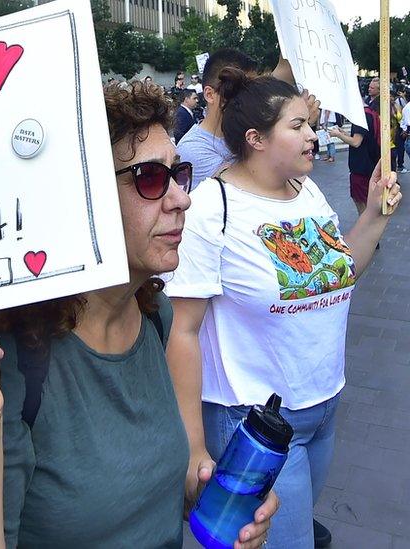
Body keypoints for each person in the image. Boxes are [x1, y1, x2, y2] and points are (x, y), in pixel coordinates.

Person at [0, 81, 277, 548]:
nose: (182, 198)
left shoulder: (154, 314)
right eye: (149, 178)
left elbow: (151, 487)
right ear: (81, 198)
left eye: (177, 173)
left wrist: (204, 498)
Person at [166, 69, 401, 549]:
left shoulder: (307, 190)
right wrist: (192, 445)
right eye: (297, 126)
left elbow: (335, 275)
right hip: (254, 421)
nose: (313, 134)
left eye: (308, 125)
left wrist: (374, 215)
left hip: (323, 404)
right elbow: (183, 331)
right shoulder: (212, 207)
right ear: (255, 139)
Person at [176, 50, 259, 192]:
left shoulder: (244, 130)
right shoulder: (192, 149)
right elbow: (249, 190)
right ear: (209, 94)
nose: (252, 99)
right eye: (240, 90)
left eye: (254, 90)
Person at [329, 99, 381, 215]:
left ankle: (365, 229)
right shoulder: (369, 113)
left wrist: (338, 135)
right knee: (364, 199)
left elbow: (356, 142)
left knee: (361, 202)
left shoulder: (361, 117)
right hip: (369, 163)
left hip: (361, 166)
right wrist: (343, 134)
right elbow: (361, 138)